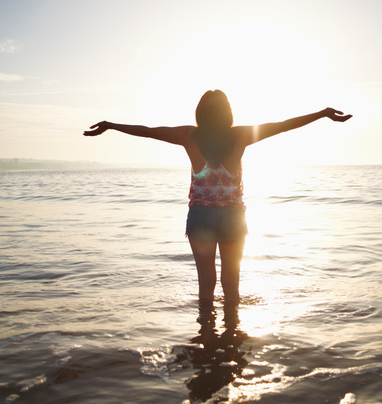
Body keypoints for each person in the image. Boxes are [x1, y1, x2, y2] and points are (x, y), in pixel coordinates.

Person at [84, 90, 352, 310]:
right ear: (228, 113)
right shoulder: (240, 135)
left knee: (206, 284)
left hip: (201, 215)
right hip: (233, 217)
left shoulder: (188, 135)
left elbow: (148, 131)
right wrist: (322, 114)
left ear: (200, 113)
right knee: (231, 284)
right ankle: (230, 339)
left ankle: (206, 337)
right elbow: (281, 126)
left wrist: (111, 125)